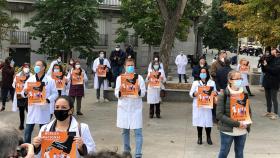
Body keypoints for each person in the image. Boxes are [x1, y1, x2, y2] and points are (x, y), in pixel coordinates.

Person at [114, 58, 146, 158]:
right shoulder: (120, 78)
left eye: (132, 65)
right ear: (124, 67)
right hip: (124, 108)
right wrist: (119, 91)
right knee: (125, 132)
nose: (130, 67)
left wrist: (139, 90)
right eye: (128, 65)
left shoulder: (139, 78)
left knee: (138, 133)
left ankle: (138, 154)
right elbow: (116, 93)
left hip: (135, 109)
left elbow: (143, 93)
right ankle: (127, 152)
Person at [216, 70, 252, 158]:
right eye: (237, 78)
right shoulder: (223, 95)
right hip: (228, 131)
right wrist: (237, 124)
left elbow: (248, 112)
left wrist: (247, 123)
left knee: (239, 152)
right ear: (230, 80)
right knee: (224, 152)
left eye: (241, 78)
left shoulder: (244, 94)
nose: (239, 80)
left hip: (242, 130)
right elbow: (219, 115)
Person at [22, 60, 58, 143]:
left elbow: (55, 93)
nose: (36, 67)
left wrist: (48, 100)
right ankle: (27, 149)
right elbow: (23, 93)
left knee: (44, 132)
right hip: (32, 109)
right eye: (35, 65)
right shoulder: (30, 79)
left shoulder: (50, 80)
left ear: (43, 68)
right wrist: (25, 92)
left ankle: (43, 149)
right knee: (27, 132)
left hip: (44, 108)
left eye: (38, 65)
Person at [189, 68, 217, 145]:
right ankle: (199, 137)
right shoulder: (195, 83)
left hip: (208, 106)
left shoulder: (211, 83)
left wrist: (215, 93)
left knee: (208, 122)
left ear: (207, 73)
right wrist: (195, 94)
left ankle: (208, 137)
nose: (203, 74)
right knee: (199, 122)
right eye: (201, 72)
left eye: (204, 72)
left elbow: (215, 92)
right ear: (199, 74)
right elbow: (191, 93)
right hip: (198, 106)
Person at [261, 48, 280, 120]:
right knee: (267, 97)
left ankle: (275, 113)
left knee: (274, 98)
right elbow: (264, 70)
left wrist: (266, 66)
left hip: (274, 82)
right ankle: (268, 111)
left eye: (274, 52)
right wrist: (263, 64)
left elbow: (275, 71)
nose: (272, 53)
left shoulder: (278, 60)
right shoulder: (270, 59)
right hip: (267, 81)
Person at [12, 63, 32, 130]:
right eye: (25, 67)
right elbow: (13, 85)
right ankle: (21, 124)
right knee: (21, 110)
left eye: (28, 67)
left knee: (29, 110)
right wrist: (15, 84)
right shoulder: (18, 75)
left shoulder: (31, 76)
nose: (26, 68)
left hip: (28, 96)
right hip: (20, 96)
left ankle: (29, 124)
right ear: (23, 67)